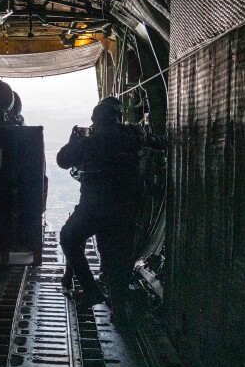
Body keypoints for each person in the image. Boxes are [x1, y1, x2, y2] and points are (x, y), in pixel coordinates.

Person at [56, 96, 166, 319]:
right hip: (124, 208)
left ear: (96, 120)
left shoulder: (89, 141)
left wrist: (73, 140)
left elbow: (63, 161)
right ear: (117, 117)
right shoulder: (131, 136)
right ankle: (119, 309)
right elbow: (160, 142)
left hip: (93, 207)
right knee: (117, 259)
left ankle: (91, 290)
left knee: (69, 238)